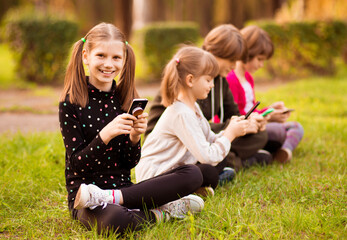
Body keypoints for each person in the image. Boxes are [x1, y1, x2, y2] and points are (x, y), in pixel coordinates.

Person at [59, 23, 205, 236]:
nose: (109, 64)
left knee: (193, 173)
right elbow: (76, 165)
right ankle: (163, 213)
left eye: (116, 57)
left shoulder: (124, 99)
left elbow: (129, 163)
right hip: (85, 198)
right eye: (101, 55)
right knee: (116, 220)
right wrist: (105, 136)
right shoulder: (70, 103)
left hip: (124, 191)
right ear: (85, 56)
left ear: (124, 59)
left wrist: (135, 138)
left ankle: (114, 198)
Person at [145, 24, 278, 172]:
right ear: (212, 52)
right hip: (173, 148)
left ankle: (229, 160)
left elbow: (232, 114)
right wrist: (230, 130)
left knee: (259, 135)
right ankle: (233, 161)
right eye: (231, 60)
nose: (234, 66)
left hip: (201, 143)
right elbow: (190, 126)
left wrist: (248, 122)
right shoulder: (187, 83)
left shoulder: (221, 81)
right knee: (211, 159)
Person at [135, 46, 249, 195]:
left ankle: (195, 188)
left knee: (213, 165)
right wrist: (229, 135)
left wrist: (229, 131)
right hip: (154, 178)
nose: (212, 85)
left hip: (176, 170)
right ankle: (190, 191)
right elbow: (207, 156)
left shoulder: (193, 107)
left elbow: (209, 140)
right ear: (190, 80)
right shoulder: (181, 113)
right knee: (205, 170)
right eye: (208, 80)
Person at [226, 25, 304, 163]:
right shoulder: (232, 79)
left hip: (255, 126)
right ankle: (269, 151)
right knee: (283, 131)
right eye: (259, 59)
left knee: (296, 127)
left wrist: (269, 110)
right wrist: (269, 118)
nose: (261, 65)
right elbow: (237, 115)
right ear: (247, 53)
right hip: (242, 131)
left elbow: (251, 111)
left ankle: (283, 151)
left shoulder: (248, 78)